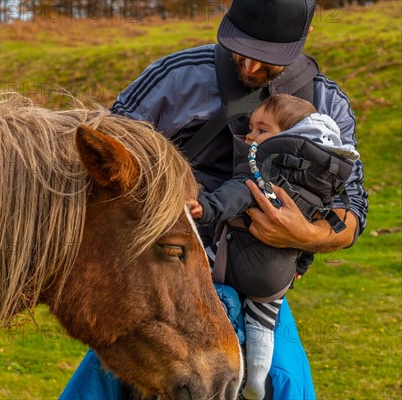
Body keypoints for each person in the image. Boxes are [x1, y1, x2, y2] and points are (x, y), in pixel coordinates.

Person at [61, 0, 368, 398]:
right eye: (242, 48)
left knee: (286, 380)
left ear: (304, 35)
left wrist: (308, 235)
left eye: (267, 58)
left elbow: (353, 208)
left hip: (261, 282)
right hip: (165, 274)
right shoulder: (176, 79)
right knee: (100, 381)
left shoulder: (327, 106)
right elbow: (102, 162)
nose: (252, 68)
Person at [192, 94, 358, 399]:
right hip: (276, 283)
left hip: (235, 266)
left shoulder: (264, 171)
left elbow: (239, 194)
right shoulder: (317, 187)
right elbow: (307, 242)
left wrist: (207, 208)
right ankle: (256, 378)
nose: (250, 137)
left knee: (196, 268)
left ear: (291, 138)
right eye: (251, 128)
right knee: (262, 329)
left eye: (261, 130)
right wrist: (299, 269)